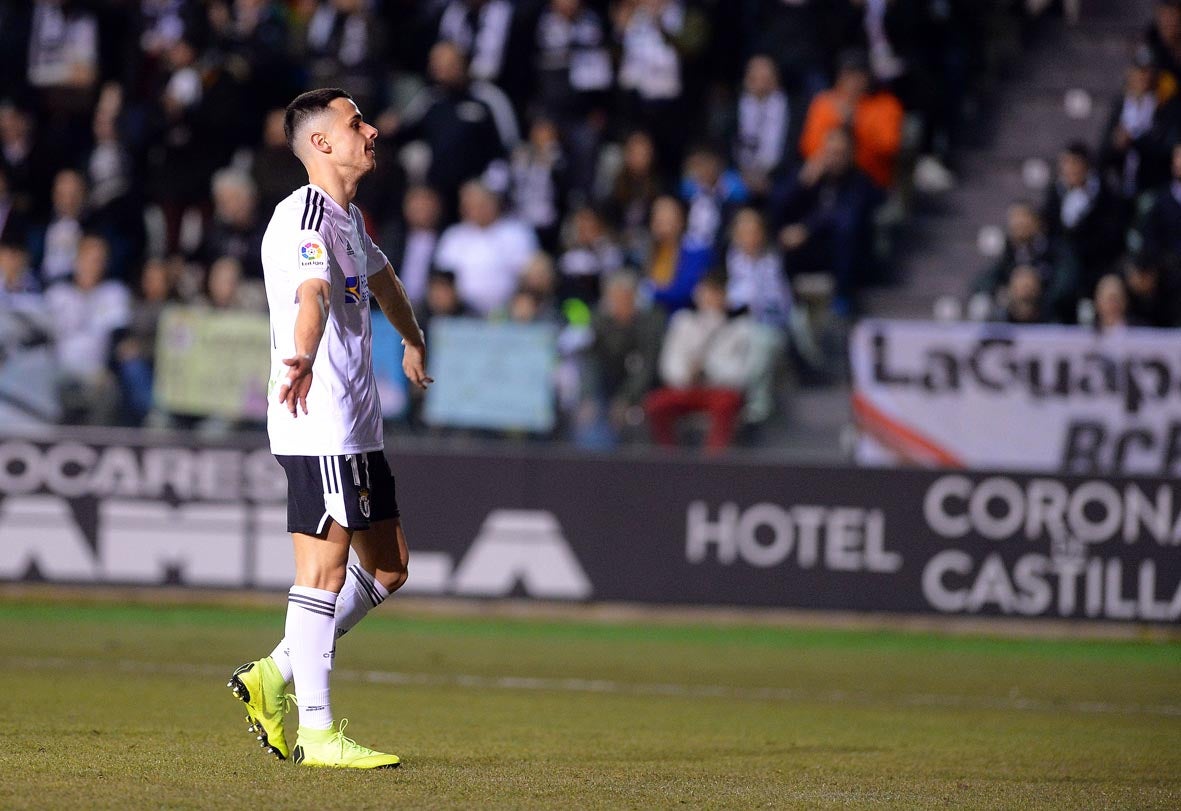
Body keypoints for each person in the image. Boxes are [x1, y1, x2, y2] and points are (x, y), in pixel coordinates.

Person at [228, 87, 431, 771]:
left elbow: (385, 281)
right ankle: (315, 732)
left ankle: (273, 675)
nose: (371, 130)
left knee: (390, 566)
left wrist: (412, 339)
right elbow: (312, 296)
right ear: (321, 143)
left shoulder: (348, 217)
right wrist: (300, 359)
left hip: (358, 426)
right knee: (323, 569)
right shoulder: (306, 215)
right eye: (355, 123)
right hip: (319, 420)